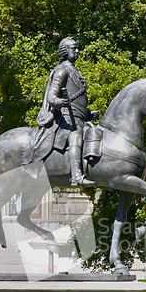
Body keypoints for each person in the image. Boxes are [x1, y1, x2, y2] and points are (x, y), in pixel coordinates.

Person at [35, 36, 100, 186]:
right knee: (75, 136)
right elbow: (52, 96)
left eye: (77, 48)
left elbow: (78, 100)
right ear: (65, 51)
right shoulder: (62, 70)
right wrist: (59, 101)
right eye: (74, 49)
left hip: (80, 117)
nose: (77, 51)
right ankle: (76, 175)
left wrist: (89, 113)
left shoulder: (75, 71)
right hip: (66, 118)